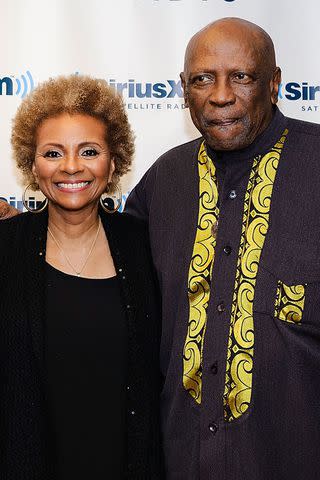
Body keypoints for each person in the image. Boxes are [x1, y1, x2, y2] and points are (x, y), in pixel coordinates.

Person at [125, 17, 320, 480]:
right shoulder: (162, 183)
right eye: (203, 79)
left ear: (274, 83)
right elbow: (96, 267)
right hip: (179, 462)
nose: (220, 95)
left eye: (242, 76)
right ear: (182, 87)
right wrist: (24, 230)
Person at [0, 74, 162, 479]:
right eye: (53, 153)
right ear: (31, 163)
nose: (71, 167)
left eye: (89, 151)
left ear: (114, 161)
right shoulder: (6, 247)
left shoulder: (147, 246)